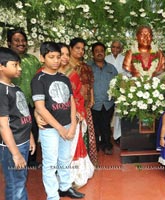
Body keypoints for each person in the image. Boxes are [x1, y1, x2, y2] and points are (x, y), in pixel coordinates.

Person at [31, 42, 84, 199]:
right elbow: (40, 108)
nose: (56, 60)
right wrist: (60, 129)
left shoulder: (64, 78)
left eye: (58, 57)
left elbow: (71, 101)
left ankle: (65, 187)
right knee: (50, 162)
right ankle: (52, 195)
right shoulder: (38, 79)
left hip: (68, 125)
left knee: (64, 158)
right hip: (50, 128)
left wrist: (73, 124)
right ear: (42, 58)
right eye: (51, 57)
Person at [0, 47, 35, 200]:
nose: (19, 68)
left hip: (23, 140)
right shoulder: (2, 91)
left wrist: (31, 136)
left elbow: (24, 115)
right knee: (15, 183)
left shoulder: (15, 87)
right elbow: (3, 125)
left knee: (20, 180)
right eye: (15, 65)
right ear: (1, 66)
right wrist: (15, 153)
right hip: (12, 145)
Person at [7, 28, 41, 168]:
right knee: (13, 131)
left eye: (23, 40)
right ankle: (12, 158)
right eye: (16, 40)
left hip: (31, 104)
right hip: (11, 105)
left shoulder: (32, 59)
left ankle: (31, 160)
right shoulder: (5, 60)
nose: (21, 43)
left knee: (33, 129)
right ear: (9, 43)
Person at [69, 37, 98, 165]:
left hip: (85, 104)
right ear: (71, 49)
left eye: (83, 49)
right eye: (77, 48)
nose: (81, 51)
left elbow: (90, 84)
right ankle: (74, 162)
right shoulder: (65, 66)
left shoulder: (85, 66)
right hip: (72, 105)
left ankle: (86, 161)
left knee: (86, 132)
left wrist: (91, 98)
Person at [89, 42, 118, 155]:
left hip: (108, 103)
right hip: (93, 103)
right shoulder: (88, 67)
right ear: (93, 53)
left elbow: (117, 83)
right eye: (96, 51)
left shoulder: (111, 68)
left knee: (106, 125)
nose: (99, 53)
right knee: (94, 127)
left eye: (101, 50)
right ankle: (94, 146)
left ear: (104, 53)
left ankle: (107, 145)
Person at [105, 40, 127, 144]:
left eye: (117, 47)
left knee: (119, 113)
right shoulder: (106, 59)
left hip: (121, 89)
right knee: (107, 113)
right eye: (113, 47)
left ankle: (118, 136)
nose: (115, 49)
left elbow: (128, 74)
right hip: (107, 90)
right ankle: (105, 136)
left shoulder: (125, 59)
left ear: (121, 49)